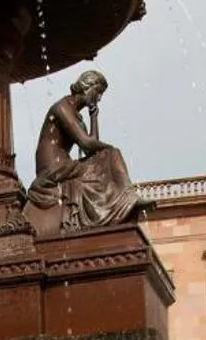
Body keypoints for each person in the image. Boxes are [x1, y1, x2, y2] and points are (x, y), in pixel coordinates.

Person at [26, 70, 146, 230]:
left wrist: (93, 117)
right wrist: (109, 149)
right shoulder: (62, 107)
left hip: (66, 166)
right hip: (52, 168)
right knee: (111, 153)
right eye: (98, 92)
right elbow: (86, 143)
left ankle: (124, 201)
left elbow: (91, 148)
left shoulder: (76, 115)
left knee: (106, 156)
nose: (99, 98)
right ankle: (127, 198)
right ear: (87, 87)